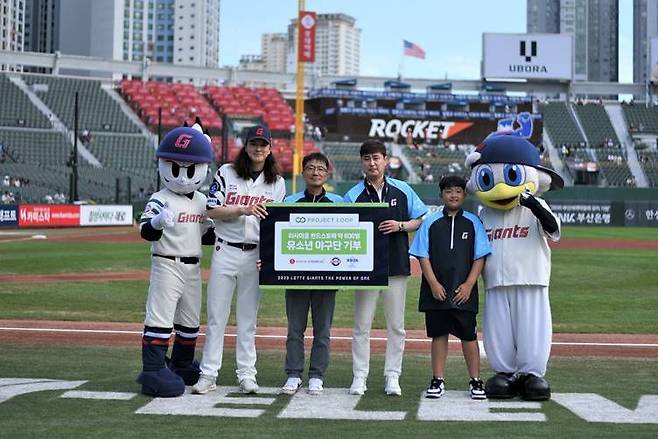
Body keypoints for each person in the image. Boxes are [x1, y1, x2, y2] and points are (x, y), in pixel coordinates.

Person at [193, 125, 286, 395]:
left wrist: (268, 257)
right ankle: (208, 374)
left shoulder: (276, 182)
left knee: (248, 320)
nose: (259, 148)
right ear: (245, 146)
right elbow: (211, 209)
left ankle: (246, 374)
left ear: (270, 149)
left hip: (255, 255)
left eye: (263, 144)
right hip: (226, 249)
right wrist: (242, 209)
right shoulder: (227, 172)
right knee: (216, 317)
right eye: (254, 143)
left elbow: (276, 226)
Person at [136, 120, 215, 397]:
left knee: (190, 320)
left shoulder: (203, 201)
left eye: (191, 169)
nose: (183, 176)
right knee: (160, 316)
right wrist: (157, 222)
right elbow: (146, 231)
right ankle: (153, 369)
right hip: (166, 263)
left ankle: (181, 364)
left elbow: (207, 236)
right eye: (176, 168)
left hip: (193, 266)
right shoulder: (160, 197)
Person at [343, 140, 428, 396]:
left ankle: (393, 376)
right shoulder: (352, 195)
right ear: (362, 162)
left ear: (385, 159)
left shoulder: (402, 189)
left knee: (396, 326)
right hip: (365, 269)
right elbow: (345, 228)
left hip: (396, 266)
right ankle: (360, 376)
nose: (372, 163)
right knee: (361, 326)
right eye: (367, 158)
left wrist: (400, 225)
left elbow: (419, 219)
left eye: (376, 158)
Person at [409, 175, 491, 400]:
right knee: (438, 335)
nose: (453, 195)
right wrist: (433, 283)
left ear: (464, 194)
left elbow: (480, 256)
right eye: (448, 191)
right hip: (436, 291)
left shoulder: (474, 222)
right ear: (441, 195)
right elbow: (422, 255)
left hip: (464, 292)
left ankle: (475, 380)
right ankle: (438, 379)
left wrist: (469, 284)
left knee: (469, 336)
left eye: (457, 191)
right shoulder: (430, 222)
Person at [280, 152, 343, 396]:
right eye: (310, 168)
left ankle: (317, 375)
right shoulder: (289, 201)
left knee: (322, 330)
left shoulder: (339, 203)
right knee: (295, 329)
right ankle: (293, 374)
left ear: (327, 173)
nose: (315, 172)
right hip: (295, 276)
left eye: (320, 168)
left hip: (327, 277)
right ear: (303, 172)